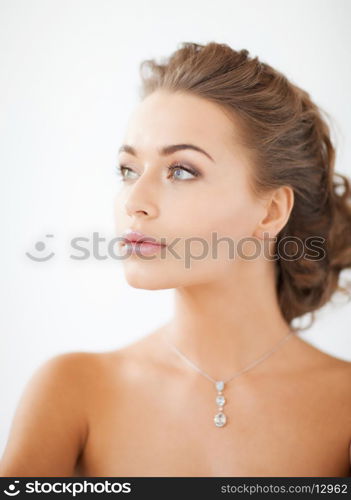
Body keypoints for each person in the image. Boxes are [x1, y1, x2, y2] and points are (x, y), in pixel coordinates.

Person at [1, 41, 351, 477]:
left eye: (181, 170)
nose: (135, 200)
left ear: (272, 210)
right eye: (128, 170)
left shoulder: (344, 410)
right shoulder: (72, 392)